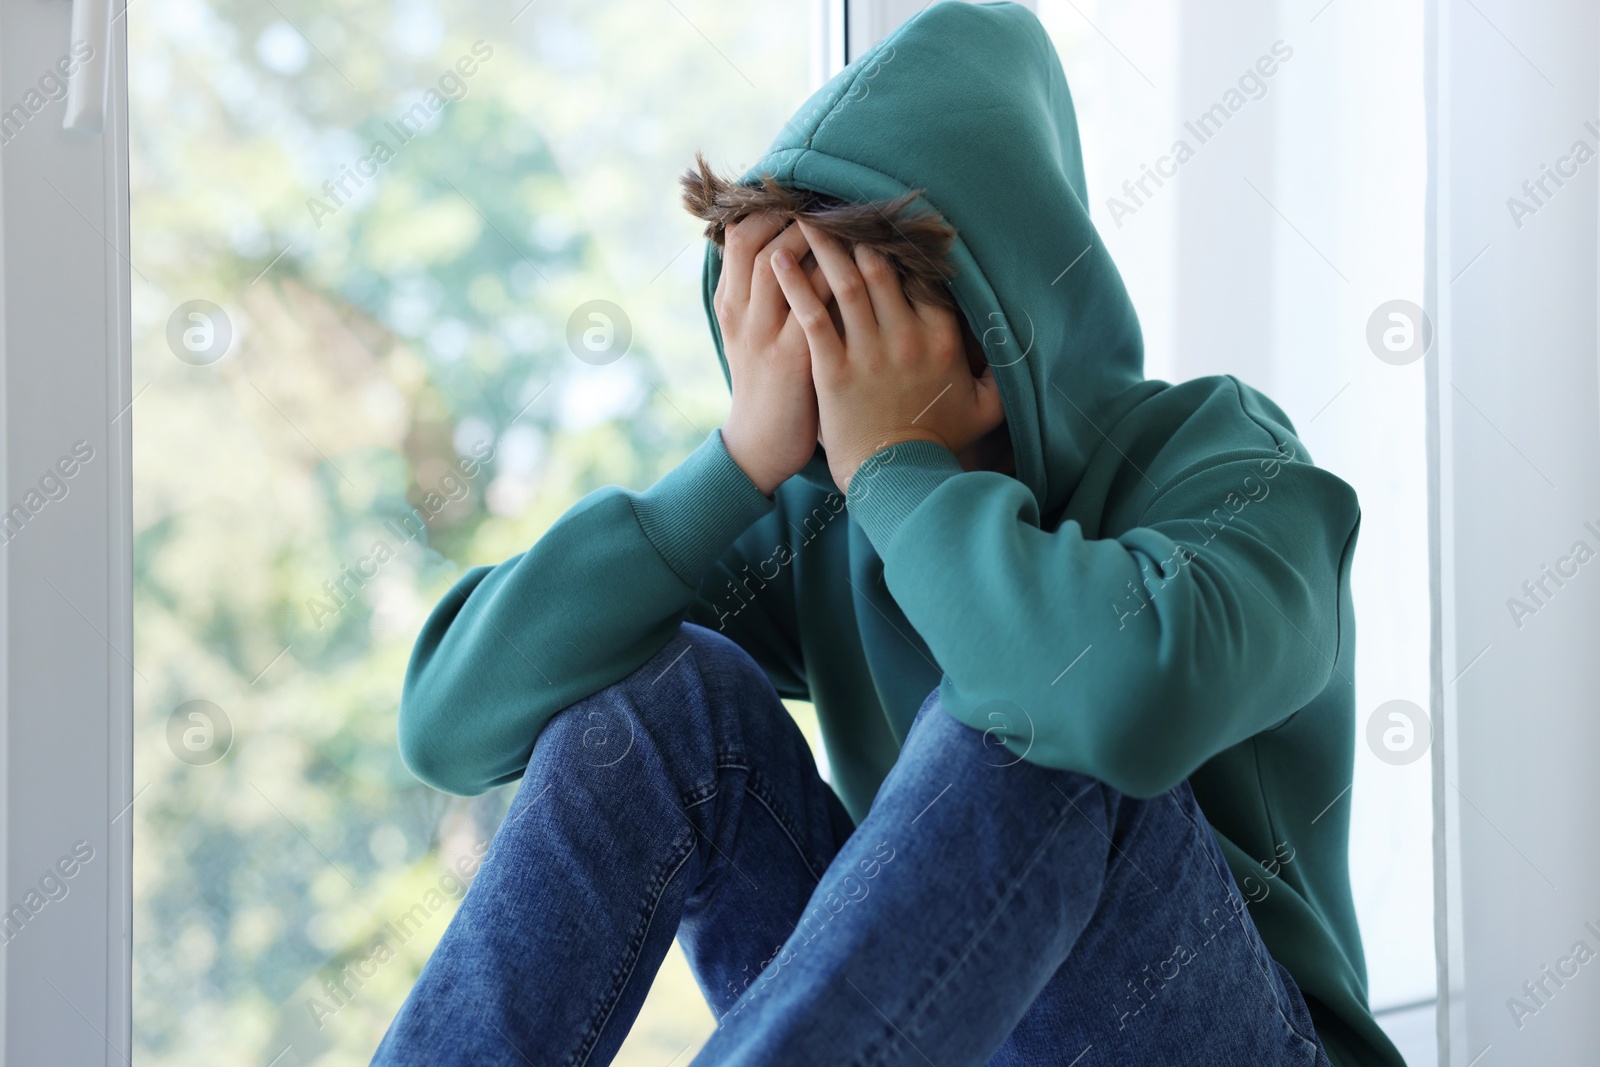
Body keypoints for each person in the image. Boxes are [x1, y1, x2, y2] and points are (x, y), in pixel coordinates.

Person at [372, 3, 1405, 1064]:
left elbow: (1119, 699)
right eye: (782, 326)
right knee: (663, 701)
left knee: (1033, 712)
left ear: (999, 329)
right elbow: (451, 723)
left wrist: (897, 469)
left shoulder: (1227, 459)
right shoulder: (815, 516)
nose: (818, 376)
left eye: (854, 322)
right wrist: (731, 467)